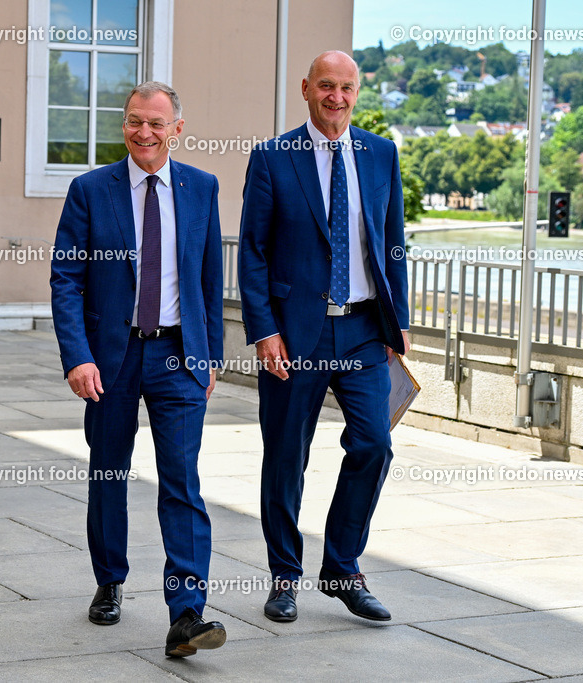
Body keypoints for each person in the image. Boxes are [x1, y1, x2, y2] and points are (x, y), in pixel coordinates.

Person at [50, 81, 226, 657]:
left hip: (178, 356)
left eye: (156, 124)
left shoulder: (202, 188)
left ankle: (188, 611)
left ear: (177, 128)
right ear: (122, 124)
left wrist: (210, 355)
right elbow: (66, 280)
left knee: (182, 481)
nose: (144, 133)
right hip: (110, 357)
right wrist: (77, 355)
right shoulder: (90, 190)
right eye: (133, 122)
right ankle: (110, 579)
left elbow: (208, 280)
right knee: (109, 474)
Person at [238, 51, 410, 623]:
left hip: (363, 330)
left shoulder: (381, 155)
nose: (337, 97)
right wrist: (264, 331)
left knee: (373, 445)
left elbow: (393, 244)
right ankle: (285, 576)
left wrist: (398, 322)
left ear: (357, 93)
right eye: (327, 86)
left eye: (347, 87)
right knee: (287, 458)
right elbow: (254, 253)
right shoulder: (272, 157)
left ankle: (342, 568)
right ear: (307, 89)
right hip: (295, 333)